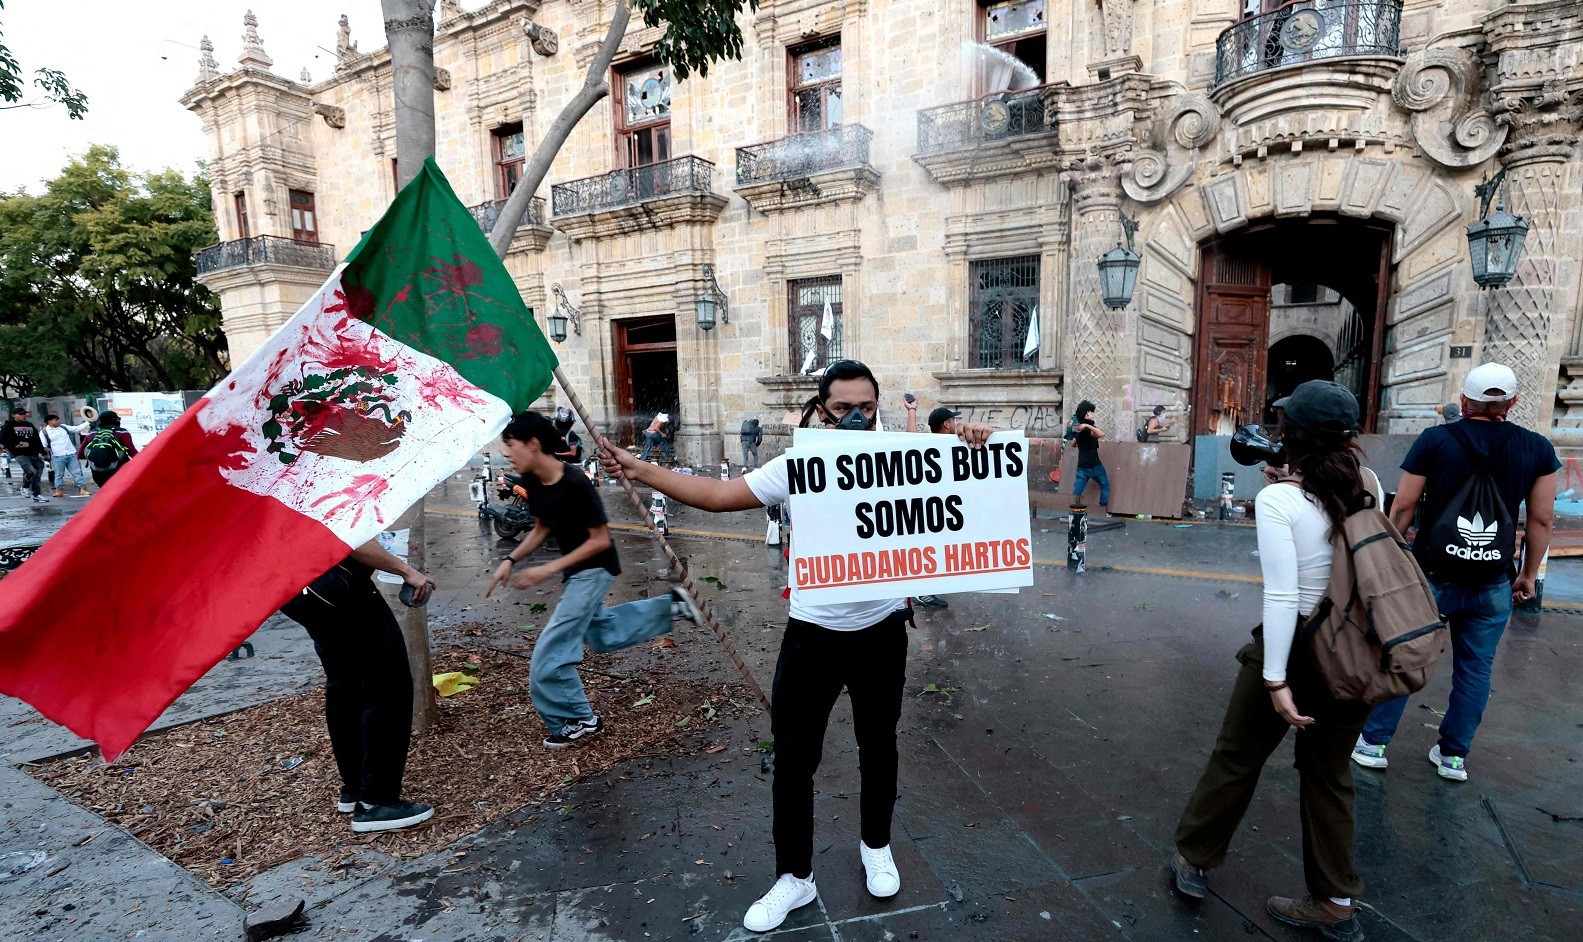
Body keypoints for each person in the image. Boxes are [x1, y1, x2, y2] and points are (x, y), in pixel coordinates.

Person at [600, 360, 996, 934]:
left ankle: (876, 847)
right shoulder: (800, 463)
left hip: (882, 631)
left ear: (878, 406)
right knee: (793, 761)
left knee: (878, 748)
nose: (857, 418)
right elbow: (717, 493)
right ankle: (795, 877)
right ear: (820, 410)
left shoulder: (909, 457)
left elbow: (967, 473)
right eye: (843, 409)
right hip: (811, 634)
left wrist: (969, 435)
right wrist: (642, 470)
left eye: (866, 407)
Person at [1171, 380, 1380, 942]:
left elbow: (1285, 595)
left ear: (1292, 436)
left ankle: (1193, 860)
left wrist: (1275, 678)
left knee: (1237, 756)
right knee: (1331, 776)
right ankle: (1336, 901)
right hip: (1355, 653)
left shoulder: (1278, 499)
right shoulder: (1369, 485)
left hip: (1294, 652)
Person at [1352, 363, 1557, 782]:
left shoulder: (1436, 440)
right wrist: (1527, 575)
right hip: (1492, 582)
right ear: (1512, 403)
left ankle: (1373, 744)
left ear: (1463, 401)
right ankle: (1453, 757)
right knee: (1475, 670)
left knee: (1404, 653)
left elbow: (1405, 506)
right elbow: (1540, 522)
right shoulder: (1536, 448)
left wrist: (1393, 558)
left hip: (1432, 577)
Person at [486, 411, 694, 748]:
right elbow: (542, 527)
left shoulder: (575, 482)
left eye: (510, 445)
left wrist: (546, 569)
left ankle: (576, 719)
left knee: (551, 651)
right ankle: (673, 607)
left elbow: (599, 541)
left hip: (595, 567)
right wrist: (511, 559)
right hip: (576, 573)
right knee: (602, 635)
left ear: (533, 444)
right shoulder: (535, 483)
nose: (507, 453)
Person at [281, 538, 438, 833]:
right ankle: (377, 800)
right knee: (388, 686)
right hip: (339, 586)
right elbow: (348, 537)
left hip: (301, 589)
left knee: (346, 685)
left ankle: (355, 787)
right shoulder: (318, 490)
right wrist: (407, 571)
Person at [912, 406, 965, 610]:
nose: (955, 424)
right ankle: (923, 592)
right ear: (946, 424)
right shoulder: (947, 446)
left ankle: (925, 590)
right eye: (953, 421)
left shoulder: (929, 445)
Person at [1068, 400, 1110, 511]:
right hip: (1095, 464)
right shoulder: (1086, 428)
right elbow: (1102, 434)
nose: (1091, 414)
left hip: (1082, 466)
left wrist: (1079, 438)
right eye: (1090, 412)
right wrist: (1088, 425)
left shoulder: (1077, 428)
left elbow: (1073, 444)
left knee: (1077, 491)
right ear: (1087, 413)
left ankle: (1074, 511)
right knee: (1105, 485)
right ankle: (1102, 509)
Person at [1, 406, 48, 503]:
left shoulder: (29, 425)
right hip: (19, 453)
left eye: (24, 414)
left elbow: (37, 440)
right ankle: (25, 487)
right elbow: (2, 438)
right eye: (21, 414)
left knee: (38, 469)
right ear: (14, 415)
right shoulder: (9, 425)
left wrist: (43, 453)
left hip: (32, 452)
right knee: (31, 471)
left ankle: (36, 494)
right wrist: (13, 445)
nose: (23, 416)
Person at [78, 412, 138, 487]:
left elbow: (80, 455)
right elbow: (132, 452)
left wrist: (99, 456)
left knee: (106, 496)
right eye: (118, 419)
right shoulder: (122, 432)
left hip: (98, 473)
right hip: (119, 471)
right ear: (114, 420)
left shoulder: (92, 433)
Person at [41, 414, 92, 497]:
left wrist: (87, 422)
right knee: (58, 474)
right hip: (57, 455)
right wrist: (46, 455)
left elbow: (76, 429)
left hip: (70, 453)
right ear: (49, 421)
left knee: (77, 472)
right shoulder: (44, 432)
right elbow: (44, 445)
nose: (58, 421)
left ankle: (83, 489)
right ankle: (59, 490)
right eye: (56, 420)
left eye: (58, 419)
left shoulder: (63, 427)